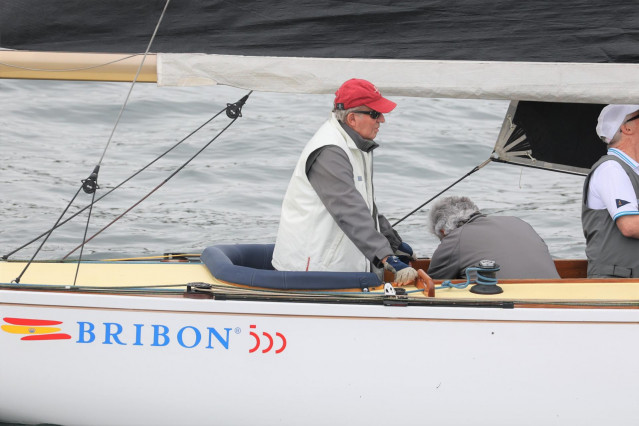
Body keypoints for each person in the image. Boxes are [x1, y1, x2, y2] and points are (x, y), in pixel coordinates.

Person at [272, 78, 418, 285]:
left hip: (333, 268)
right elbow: (349, 209)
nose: (382, 120)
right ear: (352, 119)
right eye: (375, 114)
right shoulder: (330, 151)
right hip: (312, 273)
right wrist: (386, 257)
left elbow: (364, 205)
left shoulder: (356, 144)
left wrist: (392, 242)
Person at [427, 196, 560, 279]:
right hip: (560, 296)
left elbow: (432, 283)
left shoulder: (455, 238)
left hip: (513, 307)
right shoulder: (518, 222)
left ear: (443, 231)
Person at [582, 104, 639, 278]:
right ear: (627, 127)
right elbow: (630, 226)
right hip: (616, 284)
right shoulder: (611, 169)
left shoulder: (629, 170)